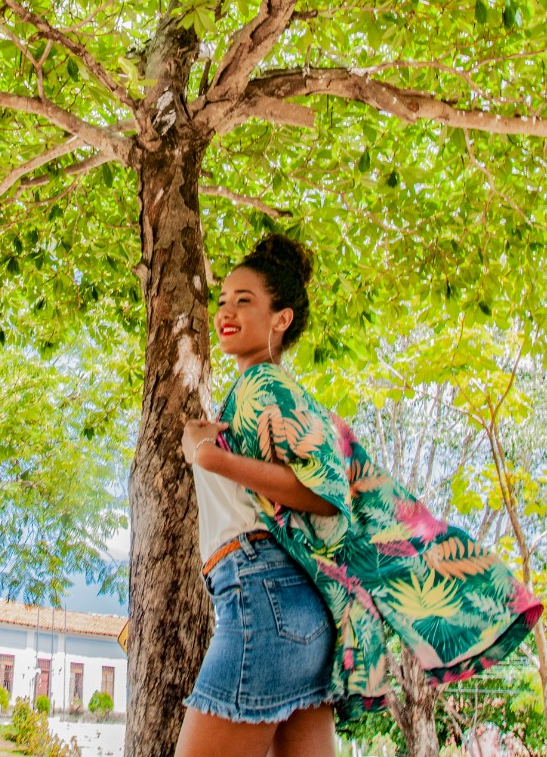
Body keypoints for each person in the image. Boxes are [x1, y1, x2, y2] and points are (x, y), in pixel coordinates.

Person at [176, 234, 543, 757]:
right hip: (298, 606)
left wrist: (209, 456)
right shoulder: (259, 392)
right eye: (223, 301)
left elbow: (324, 494)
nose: (227, 312)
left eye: (245, 300)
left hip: (262, 598)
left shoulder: (263, 383)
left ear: (280, 319)